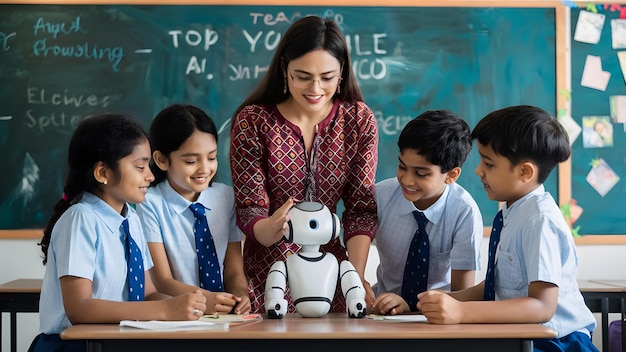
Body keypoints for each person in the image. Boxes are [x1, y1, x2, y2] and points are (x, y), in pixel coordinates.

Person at [417, 105, 598, 352]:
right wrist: (430, 302)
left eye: (489, 164)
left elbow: (542, 306)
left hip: (558, 343)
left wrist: (461, 311)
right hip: (526, 337)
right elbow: (496, 288)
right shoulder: (512, 212)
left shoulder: (539, 220)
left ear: (524, 172)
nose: (478, 170)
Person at [229, 15, 379, 314]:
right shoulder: (254, 121)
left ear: (342, 74)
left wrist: (356, 276)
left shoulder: (359, 121)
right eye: (302, 76)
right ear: (284, 69)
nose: (315, 88)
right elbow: (249, 206)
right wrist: (267, 228)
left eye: (326, 77)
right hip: (268, 275)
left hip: (334, 275)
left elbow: (360, 209)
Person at [32, 113, 206, 352]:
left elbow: (147, 294)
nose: (150, 176)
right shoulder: (81, 218)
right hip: (73, 345)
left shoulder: (131, 219)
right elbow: (79, 308)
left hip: (116, 341)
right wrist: (165, 310)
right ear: (103, 173)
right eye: (140, 167)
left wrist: (188, 308)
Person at [136, 104, 250, 315]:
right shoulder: (149, 203)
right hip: (177, 316)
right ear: (161, 160)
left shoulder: (226, 197)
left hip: (222, 317)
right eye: (191, 160)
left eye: (212, 157)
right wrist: (204, 299)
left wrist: (240, 294)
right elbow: (162, 281)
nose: (205, 169)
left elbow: (234, 270)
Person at [370, 110, 483, 315]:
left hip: (438, 317)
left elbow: (463, 293)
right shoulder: (380, 196)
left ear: (451, 175)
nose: (407, 180)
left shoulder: (464, 212)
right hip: (382, 312)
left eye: (421, 173)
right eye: (402, 167)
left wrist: (413, 306)